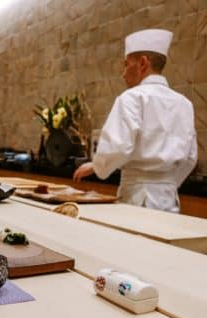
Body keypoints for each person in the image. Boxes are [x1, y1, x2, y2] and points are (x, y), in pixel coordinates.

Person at [73, 29, 197, 213]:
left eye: (126, 65)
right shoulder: (185, 103)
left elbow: (119, 147)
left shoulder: (131, 98)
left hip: (138, 197)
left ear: (142, 63)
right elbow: (190, 158)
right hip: (170, 199)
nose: (123, 73)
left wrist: (96, 166)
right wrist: (166, 183)